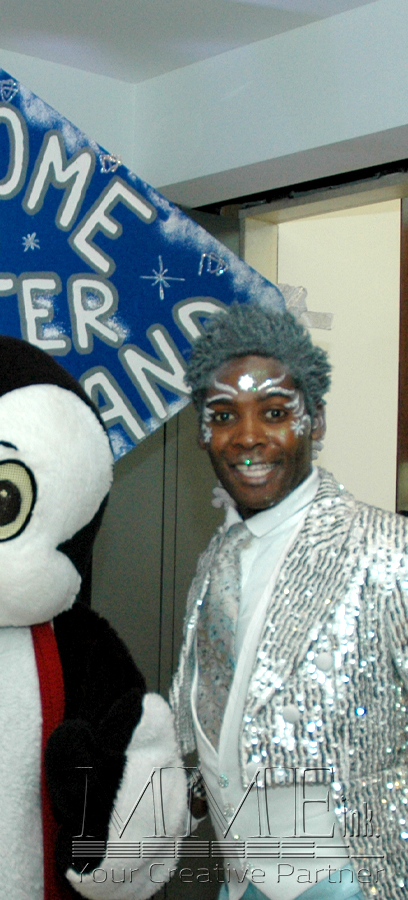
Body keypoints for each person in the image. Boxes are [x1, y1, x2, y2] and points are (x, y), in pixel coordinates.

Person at [170, 302, 408, 900]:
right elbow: (220, 722)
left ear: (315, 422)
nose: (248, 436)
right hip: (238, 882)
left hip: (356, 882)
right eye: (224, 415)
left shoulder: (386, 549)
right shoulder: (216, 561)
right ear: (202, 431)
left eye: (275, 413)